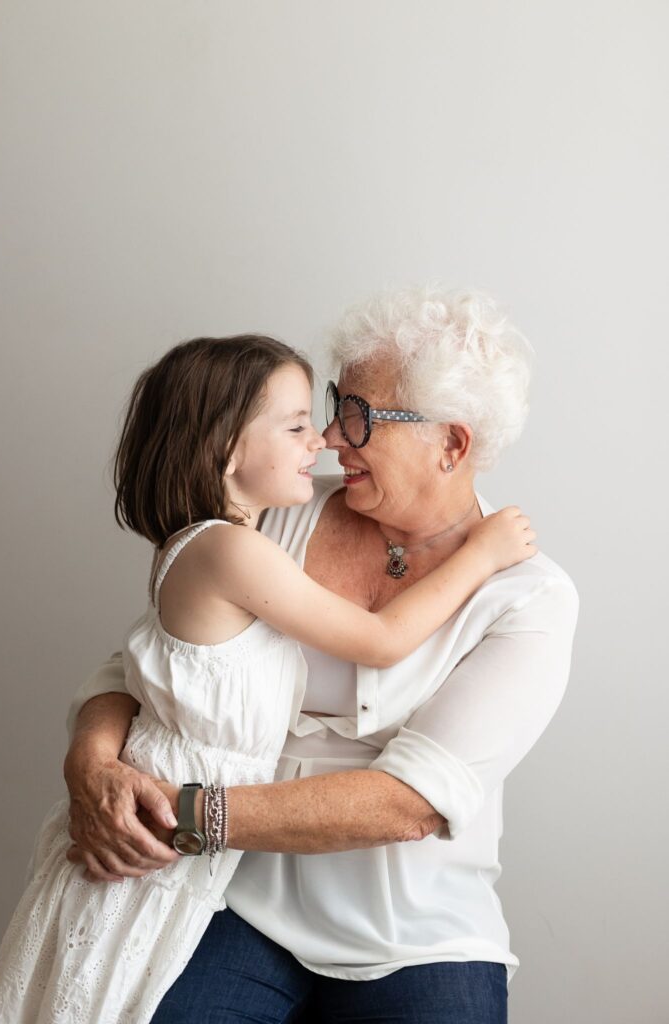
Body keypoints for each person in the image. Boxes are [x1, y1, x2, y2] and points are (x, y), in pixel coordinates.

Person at [61, 288, 578, 1024]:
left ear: (450, 445)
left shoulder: (529, 597)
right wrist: (92, 767)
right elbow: (146, 666)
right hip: (232, 897)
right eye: (336, 405)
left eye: (362, 415)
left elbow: (408, 805)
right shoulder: (273, 515)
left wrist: (174, 816)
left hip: (415, 929)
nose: (333, 435)